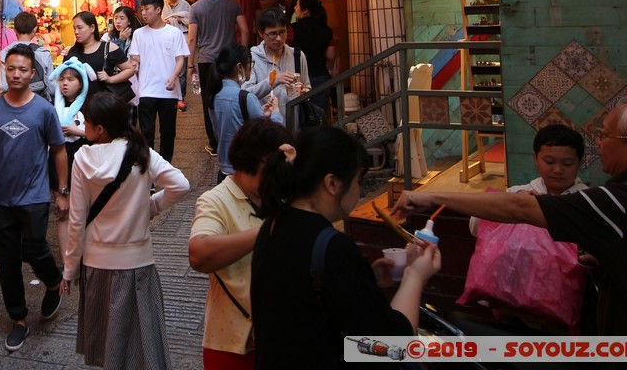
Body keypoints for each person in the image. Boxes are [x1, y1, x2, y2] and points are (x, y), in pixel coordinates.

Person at [393, 94, 627, 339]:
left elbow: (519, 208)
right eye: (549, 161)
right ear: (536, 160)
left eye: (605, 135)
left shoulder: (616, 200)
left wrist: (431, 196)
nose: (599, 141)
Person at [252, 127, 442, 368]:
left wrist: (364, 279)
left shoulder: (272, 225)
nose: (359, 190)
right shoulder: (332, 246)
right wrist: (415, 275)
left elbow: (304, 308)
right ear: (332, 183)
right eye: (358, 180)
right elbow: (393, 345)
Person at [62, 93, 189, 370]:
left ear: (100, 129)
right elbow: (181, 185)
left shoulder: (83, 158)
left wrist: (69, 270)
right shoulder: (140, 150)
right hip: (138, 263)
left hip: (97, 264)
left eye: (87, 122)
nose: (83, 126)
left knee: (109, 345)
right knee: (141, 345)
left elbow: (77, 219)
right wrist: (153, 206)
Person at [0, 43, 68, 353]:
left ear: (33, 73)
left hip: (35, 195)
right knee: (6, 261)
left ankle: (53, 281)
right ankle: (18, 319)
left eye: (22, 69)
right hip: (2, 198)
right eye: (11, 68)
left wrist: (62, 191)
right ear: (5, 71)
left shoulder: (43, 110)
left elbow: (58, 150)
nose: (16, 74)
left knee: (33, 248)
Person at [189, 119, 292, 370]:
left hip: (278, 338)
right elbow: (198, 254)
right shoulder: (216, 200)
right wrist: (266, 232)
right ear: (261, 162)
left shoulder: (277, 195)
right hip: (232, 342)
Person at [468, 123, 588, 236]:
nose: (557, 170)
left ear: (580, 163)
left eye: (567, 164)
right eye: (549, 162)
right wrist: (514, 205)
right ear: (536, 159)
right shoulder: (520, 194)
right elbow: (475, 227)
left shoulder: (588, 201)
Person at [189, 0, 249, 156]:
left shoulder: (197, 8)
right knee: (232, 96)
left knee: (209, 100)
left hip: (206, 60)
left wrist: (190, 64)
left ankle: (214, 142)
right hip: (229, 58)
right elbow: (245, 30)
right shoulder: (231, 5)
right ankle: (234, 137)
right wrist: (242, 54)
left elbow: (192, 39)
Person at [131, 0, 190, 162]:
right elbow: (135, 57)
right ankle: (149, 169)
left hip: (167, 91)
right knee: (147, 133)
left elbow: (181, 59)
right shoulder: (139, 34)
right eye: (142, 10)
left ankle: (165, 168)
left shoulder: (174, 33)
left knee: (168, 133)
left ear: (158, 10)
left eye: (147, 9)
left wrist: (173, 77)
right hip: (146, 90)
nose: (143, 13)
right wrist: (135, 62)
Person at [211, 44, 283, 183]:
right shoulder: (246, 97)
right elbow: (270, 135)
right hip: (245, 173)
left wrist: (260, 112)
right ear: (239, 67)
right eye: (250, 63)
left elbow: (226, 127)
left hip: (223, 171)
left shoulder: (213, 96)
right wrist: (276, 112)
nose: (251, 67)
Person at [47, 58, 95, 256]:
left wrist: (78, 131)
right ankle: (67, 260)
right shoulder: (51, 107)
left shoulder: (91, 106)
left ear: (82, 83)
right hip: (56, 162)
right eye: (62, 79)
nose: (65, 83)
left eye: (71, 79)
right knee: (61, 212)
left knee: (84, 210)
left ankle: (86, 255)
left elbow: (102, 134)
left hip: (81, 161)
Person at [244, 8, 313, 130]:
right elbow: (246, 94)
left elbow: (307, 88)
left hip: (293, 126)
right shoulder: (252, 57)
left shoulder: (297, 55)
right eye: (273, 33)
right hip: (264, 128)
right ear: (261, 33)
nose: (279, 39)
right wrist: (274, 80)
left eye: (282, 32)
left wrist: (303, 93)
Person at [65, 11, 136, 99]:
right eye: (74, 28)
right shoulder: (71, 52)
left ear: (92, 28)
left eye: (80, 28)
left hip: (102, 105)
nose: (76, 32)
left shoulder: (108, 48)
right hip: (77, 105)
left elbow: (129, 70)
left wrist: (110, 79)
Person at [288, 0, 334, 126]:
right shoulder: (326, 30)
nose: (295, 8)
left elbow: (284, 49)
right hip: (321, 77)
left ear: (305, 10)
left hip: (298, 78)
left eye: (297, 5)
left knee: (299, 119)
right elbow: (331, 54)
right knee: (319, 118)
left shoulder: (292, 29)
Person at [0, 11, 54, 95]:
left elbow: (3, 86)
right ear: (35, 29)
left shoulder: (5, 53)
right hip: (38, 102)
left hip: (14, 103)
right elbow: (52, 88)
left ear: (15, 29)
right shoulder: (43, 53)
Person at [161, 0, 192, 112]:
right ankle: (172, 96)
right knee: (168, 69)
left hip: (182, 38)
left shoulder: (185, 5)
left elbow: (192, 24)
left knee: (182, 72)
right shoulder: (162, 5)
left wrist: (181, 19)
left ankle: (181, 98)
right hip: (166, 41)